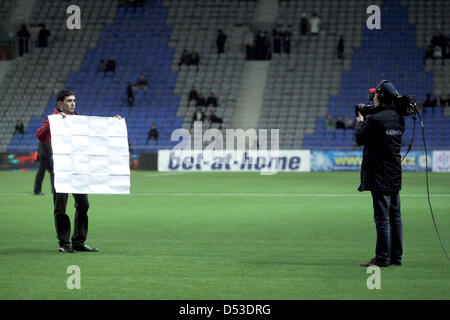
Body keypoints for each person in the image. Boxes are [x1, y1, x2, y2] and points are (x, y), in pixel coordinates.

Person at [36, 89, 122, 253]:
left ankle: (78, 242)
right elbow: (41, 136)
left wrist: (112, 122)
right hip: (61, 168)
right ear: (60, 104)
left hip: (78, 168)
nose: (73, 103)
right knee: (60, 206)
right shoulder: (54, 119)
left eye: (74, 100)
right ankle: (64, 243)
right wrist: (55, 121)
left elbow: (96, 130)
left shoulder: (78, 119)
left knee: (83, 204)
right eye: (69, 101)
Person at [356, 80, 405, 267]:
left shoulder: (375, 120)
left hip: (379, 174)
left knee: (382, 219)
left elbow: (360, 137)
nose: (373, 97)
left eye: (375, 94)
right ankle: (396, 257)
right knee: (395, 218)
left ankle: (383, 258)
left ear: (382, 97)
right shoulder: (398, 118)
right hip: (394, 173)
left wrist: (361, 120)